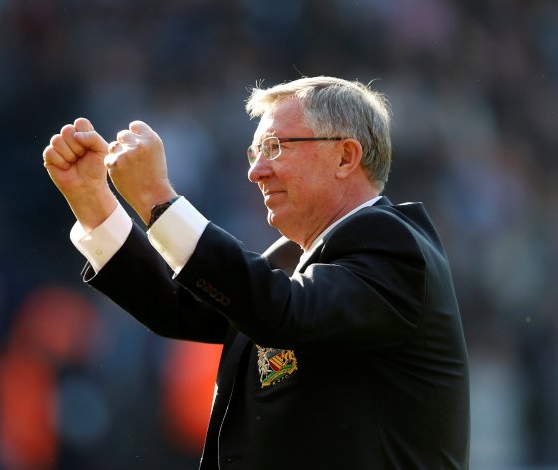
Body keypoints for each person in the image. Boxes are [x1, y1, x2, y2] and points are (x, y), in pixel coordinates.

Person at [43, 76, 470, 469]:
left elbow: (279, 309)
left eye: (275, 148)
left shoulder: (394, 245)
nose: (255, 170)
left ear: (345, 156)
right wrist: (93, 201)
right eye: (255, 152)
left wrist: (158, 199)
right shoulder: (295, 260)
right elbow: (179, 305)